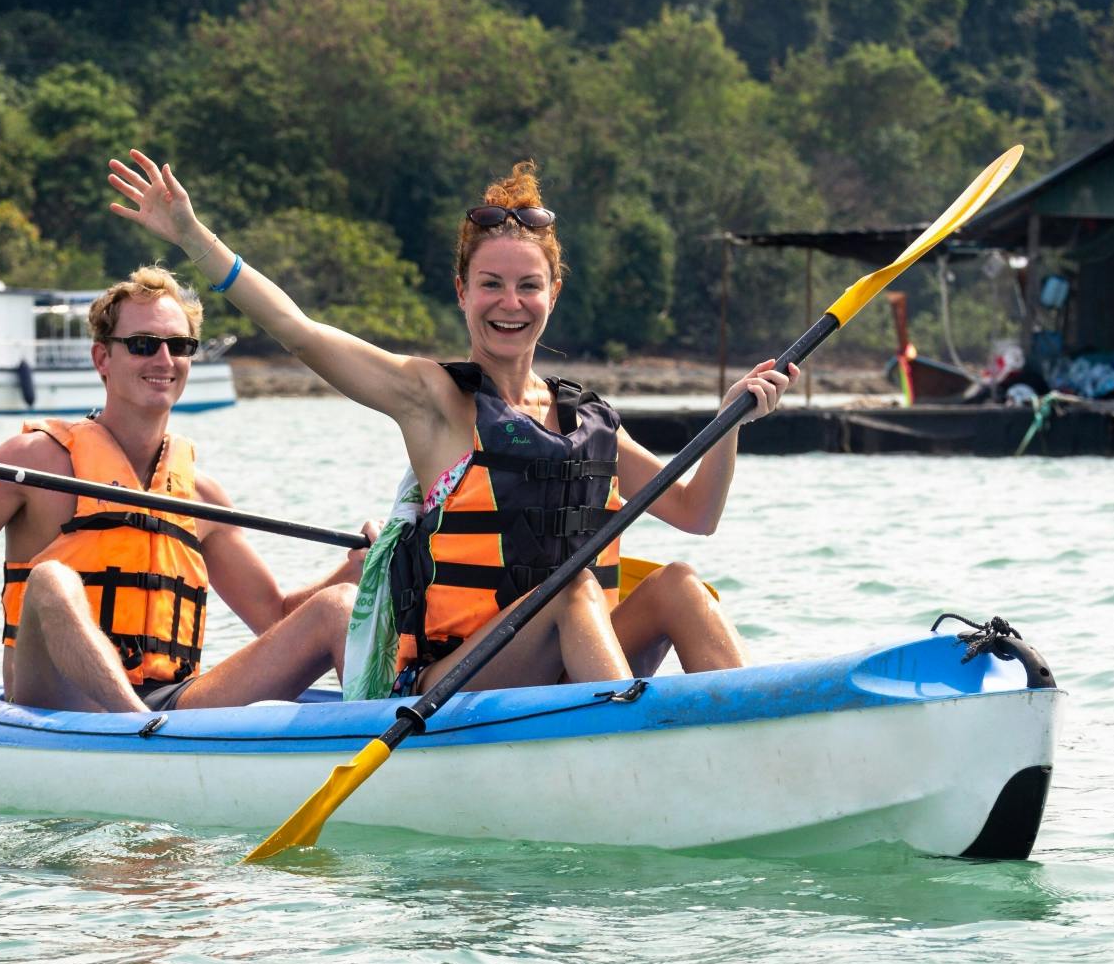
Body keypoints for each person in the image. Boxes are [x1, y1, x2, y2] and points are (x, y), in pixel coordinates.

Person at [106, 149, 794, 700]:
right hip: (456, 684)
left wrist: (731, 420)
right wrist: (193, 237)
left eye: (528, 285)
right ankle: (627, 752)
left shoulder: (585, 419)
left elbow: (697, 512)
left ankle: (759, 739)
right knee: (572, 589)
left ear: (554, 293)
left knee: (676, 582)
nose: (510, 302)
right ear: (461, 291)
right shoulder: (431, 399)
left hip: (567, 671)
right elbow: (298, 331)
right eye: (490, 283)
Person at [0, 265, 372, 713]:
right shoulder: (32, 459)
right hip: (54, 695)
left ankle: (393, 750)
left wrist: (355, 569)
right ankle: (136, 729)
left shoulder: (201, 497)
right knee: (51, 579)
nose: (164, 359)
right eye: (143, 344)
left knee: (337, 608)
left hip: (170, 701)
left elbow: (275, 617)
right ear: (103, 358)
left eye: (179, 346)